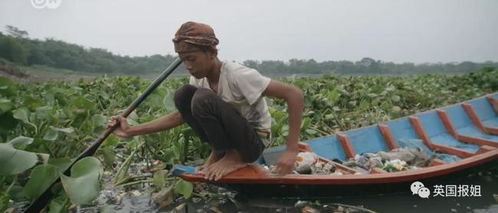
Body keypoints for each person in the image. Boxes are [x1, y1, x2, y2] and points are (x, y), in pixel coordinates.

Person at [107, 21, 304, 181]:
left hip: (253, 141)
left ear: (212, 53)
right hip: (230, 139)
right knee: (183, 94)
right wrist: (131, 130)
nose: (188, 66)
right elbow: (180, 115)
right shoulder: (199, 78)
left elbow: (294, 93)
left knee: (201, 97)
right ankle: (219, 153)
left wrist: (291, 149)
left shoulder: (238, 75)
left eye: (192, 58)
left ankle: (233, 157)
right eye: (183, 60)